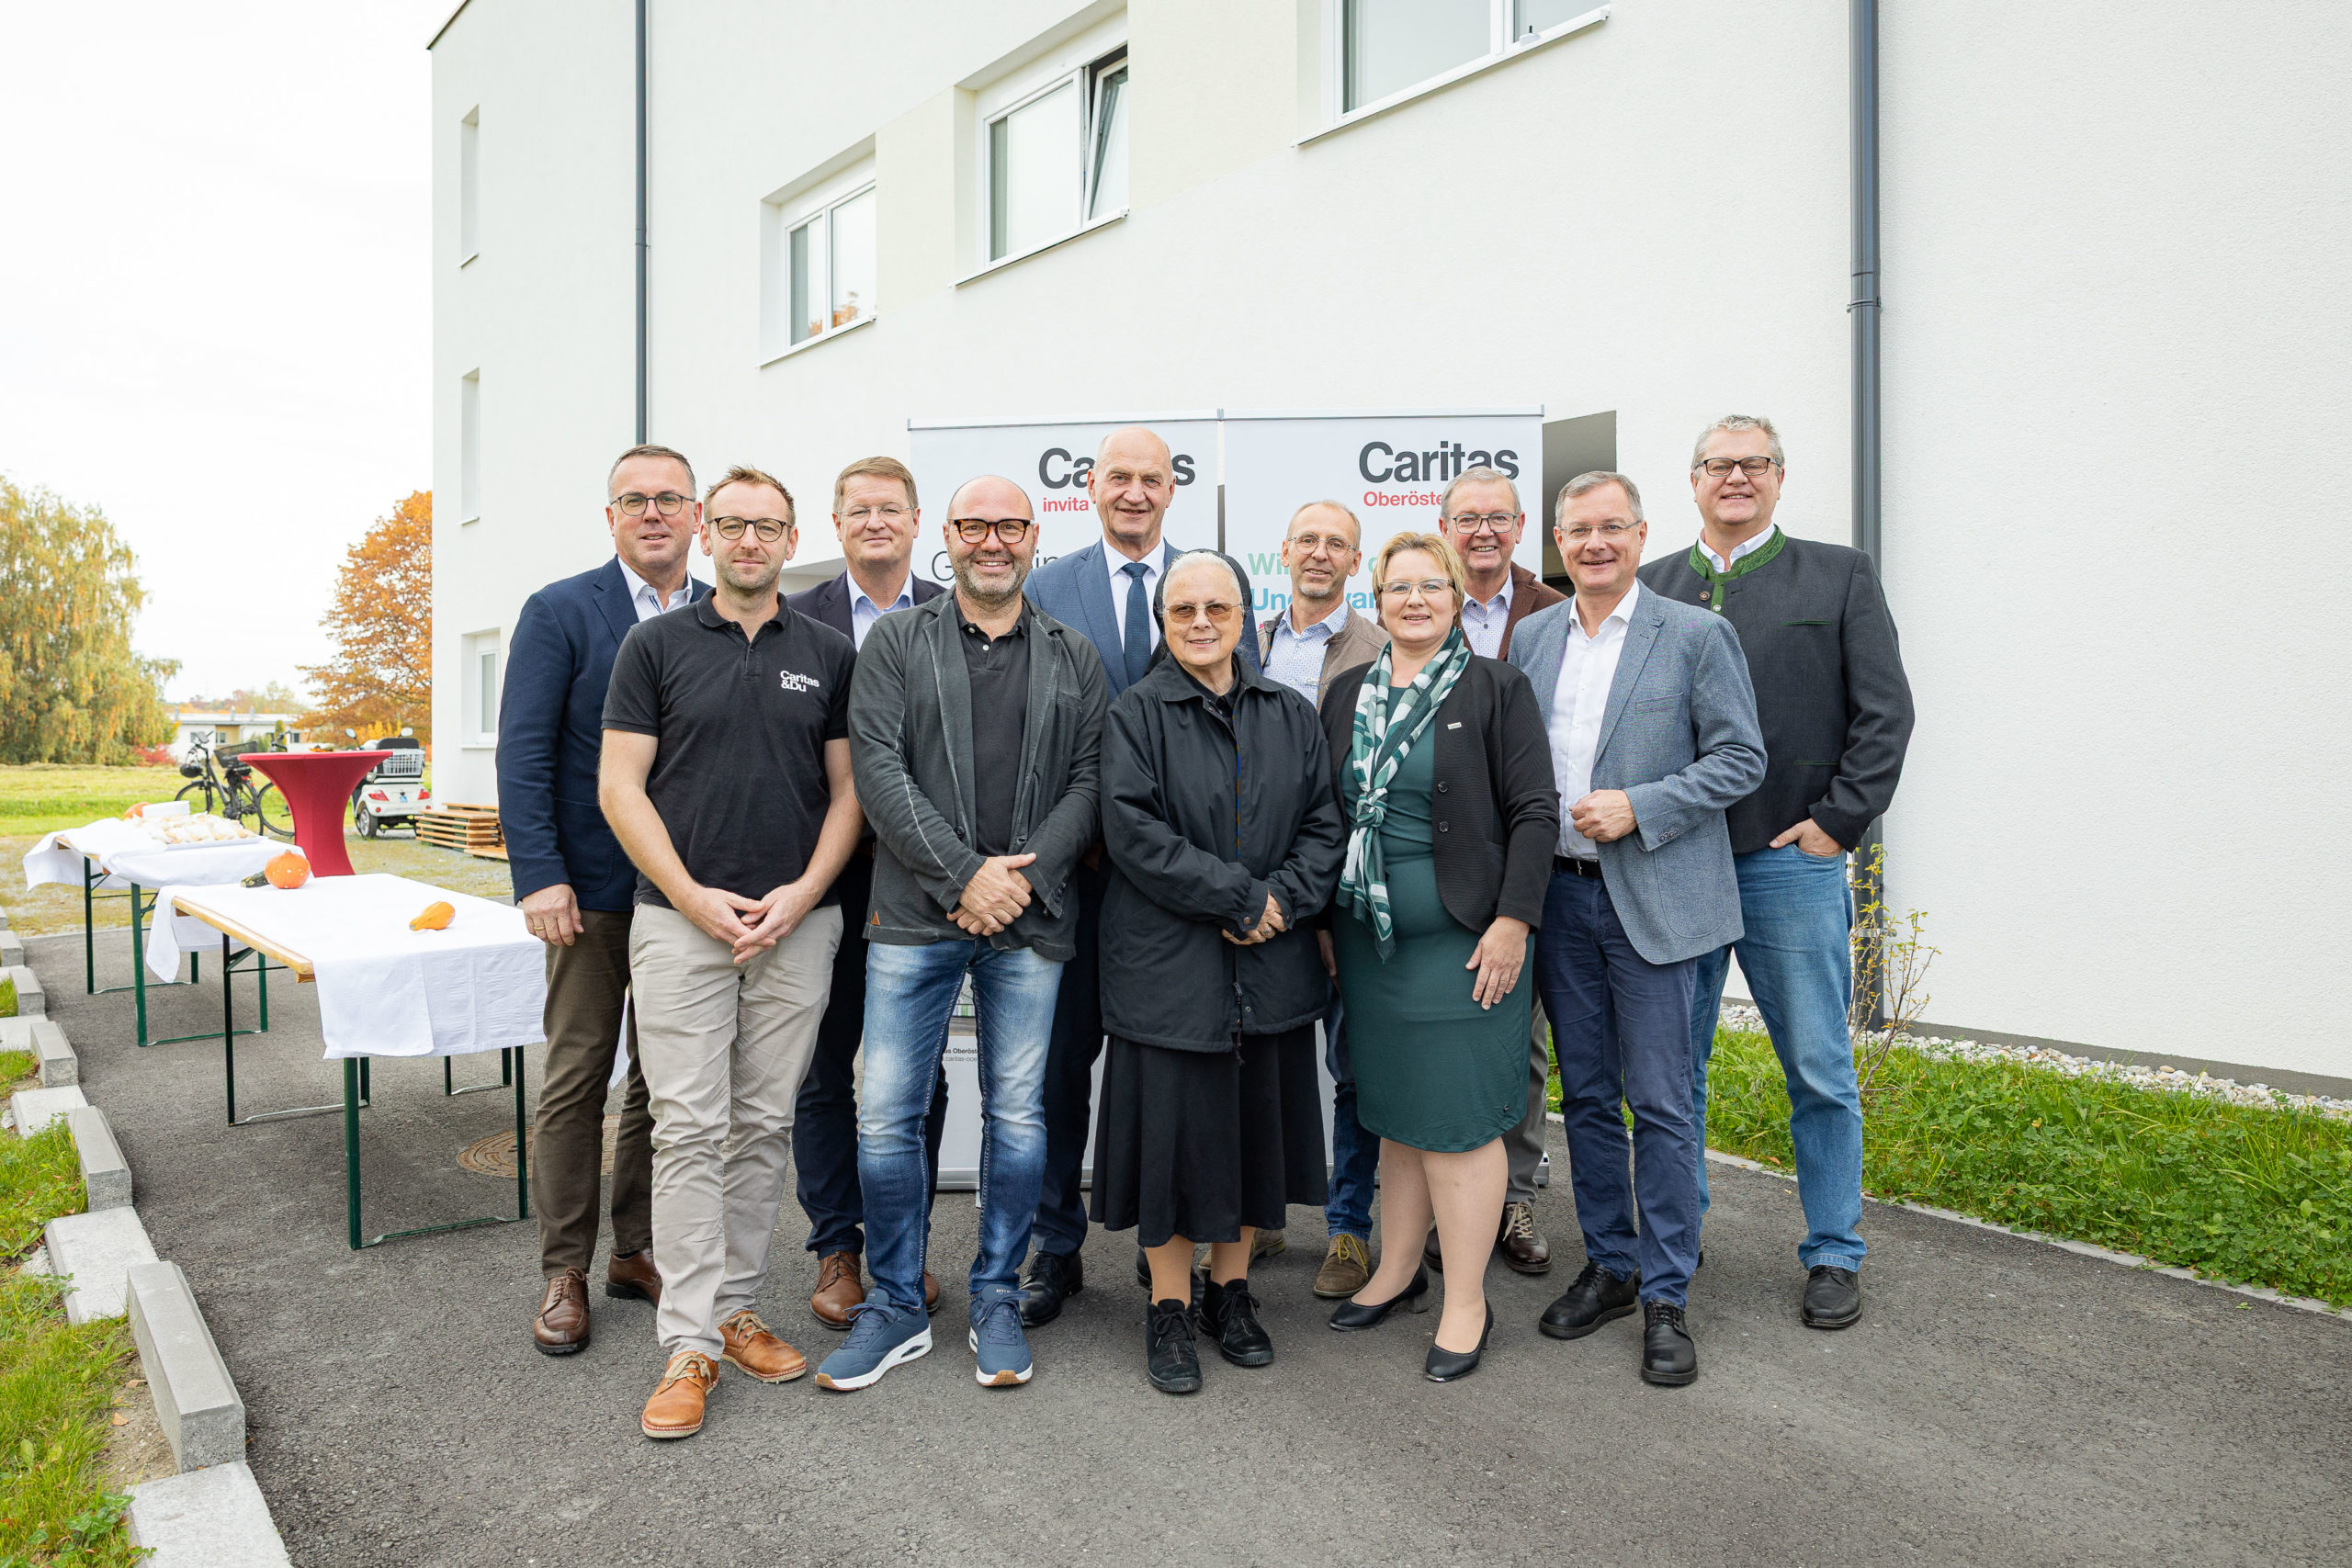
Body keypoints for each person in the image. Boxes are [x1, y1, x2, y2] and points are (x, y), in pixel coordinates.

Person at [819, 475, 1107, 1391]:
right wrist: (964, 876)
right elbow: (878, 769)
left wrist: (1014, 884)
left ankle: (994, 1296)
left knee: (1018, 1116)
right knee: (886, 1115)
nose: (993, 541)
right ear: (947, 535)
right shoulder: (899, 641)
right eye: (975, 525)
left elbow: (1090, 784)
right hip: (913, 916)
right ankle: (895, 1302)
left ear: (1033, 539)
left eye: (1009, 526)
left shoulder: (1073, 654)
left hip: (1027, 921)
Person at [600, 465, 862, 1439]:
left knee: (760, 1127)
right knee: (687, 1128)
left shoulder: (829, 651)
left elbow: (849, 793)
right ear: (707, 533)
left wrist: (802, 894)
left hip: (797, 926)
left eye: (770, 528)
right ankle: (689, 1344)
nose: (751, 542)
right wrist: (688, 896)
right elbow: (620, 789)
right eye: (736, 525)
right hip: (678, 924)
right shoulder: (654, 644)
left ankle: (736, 1306)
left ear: (793, 541)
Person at [1638, 415, 1915, 1330]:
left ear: (1779, 479)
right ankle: (1681, 1230)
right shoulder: (1654, 586)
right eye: (1717, 465)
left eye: (1752, 464)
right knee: (1675, 1068)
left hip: (1785, 864)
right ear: (1692, 482)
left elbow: (1884, 713)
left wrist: (1838, 824)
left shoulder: (1835, 576)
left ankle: (1833, 1250)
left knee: (1818, 1066)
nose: (1734, 478)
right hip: (1679, 862)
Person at [1509, 470, 1765, 1388]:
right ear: (1557, 540)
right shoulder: (1533, 637)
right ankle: (1610, 1267)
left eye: (1611, 527)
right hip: (1562, 901)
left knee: (1659, 1101)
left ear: (1641, 532)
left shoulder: (1695, 633)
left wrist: (1641, 805)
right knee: (1583, 1099)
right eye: (1577, 530)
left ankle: (1666, 1293)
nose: (1594, 544)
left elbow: (1742, 755)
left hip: (1653, 897)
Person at [1018, 425, 1261, 1325]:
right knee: (1059, 1072)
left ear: (1172, 488)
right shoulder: (1047, 588)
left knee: (1187, 1078)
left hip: (1184, 892)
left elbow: (1246, 734)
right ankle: (1056, 1245)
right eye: (1117, 476)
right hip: (1079, 882)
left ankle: (1192, 1258)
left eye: (1149, 478)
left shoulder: (1213, 585)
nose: (1133, 491)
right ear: (1092, 486)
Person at [1099, 550, 1347, 1393]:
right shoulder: (1134, 713)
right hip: (1169, 969)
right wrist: (1240, 898)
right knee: (1173, 1143)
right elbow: (1133, 832)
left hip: (1267, 967)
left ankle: (1230, 1291)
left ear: (1246, 615)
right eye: (1183, 610)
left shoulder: (1290, 712)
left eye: (1218, 607)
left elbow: (1325, 821)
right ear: (1165, 624)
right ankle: (1168, 1304)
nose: (1201, 622)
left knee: (1247, 1136)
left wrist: (1281, 899)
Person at [1319, 533, 1557, 1384]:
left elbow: (1536, 810)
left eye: (1432, 585)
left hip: (1470, 945)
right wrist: (1320, 925)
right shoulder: (1348, 692)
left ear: (1459, 597)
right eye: (1398, 587)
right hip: (1368, 941)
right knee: (1395, 1114)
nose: (1414, 600)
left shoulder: (1496, 686)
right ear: (1375, 599)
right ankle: (1394, 1269)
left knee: (1457, 1125)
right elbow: (1328, 817)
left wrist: (1513, 921)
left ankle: (1466, 1300)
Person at [500, 442, 708, 1356]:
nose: (654, 513)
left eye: (670, 499)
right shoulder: (559, 612)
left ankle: (637, 1250)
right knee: (578, 1078)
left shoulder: (721, 612)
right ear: (611, 517)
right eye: (636, 500)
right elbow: (524, 754)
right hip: (586, 893)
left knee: (665, 1086)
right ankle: (563, 1271)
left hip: (686, 895)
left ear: (696, 516)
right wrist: (539, 873)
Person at [784, 456, 949, 1330]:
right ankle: (838, 1246)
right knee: (824, 1071)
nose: (876, 521)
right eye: (860, 510)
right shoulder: (793, 620)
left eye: (892, 508)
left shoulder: (955, 617)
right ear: (836, 524)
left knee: (915, 1077)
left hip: (924, 890)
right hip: (823, 884)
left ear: (919, 522)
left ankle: (904, 1244)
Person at [1436, 465, 1569, 1274]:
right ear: (1444, 526)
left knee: (1523, 1040)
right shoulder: (1412, 614)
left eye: (1498, 517)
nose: (1482, 531)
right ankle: (1431, 1203)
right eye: (1466, 517)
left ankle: (1513, 1197)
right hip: (1437, 870)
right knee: (1440, 1039)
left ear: (1522, 528)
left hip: (1526, 859)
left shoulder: (1556, 616)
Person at [1255, 501, 1386, 1300]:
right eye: (1307, 538)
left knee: (1355, 1068)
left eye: (1336, 542)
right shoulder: (1250, 639)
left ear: (1355, 559)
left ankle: (1348, 1228)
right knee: (1264, 1063)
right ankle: (1262, 1216)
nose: (1319, 553)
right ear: (1284, 549)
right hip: (1261, 891)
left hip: (1341, 888)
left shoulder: (1378, 646)